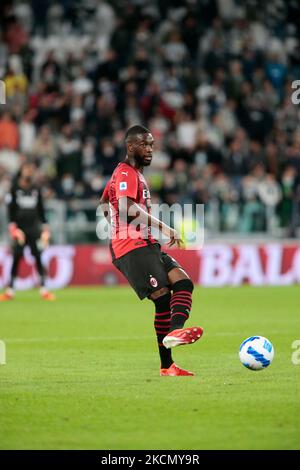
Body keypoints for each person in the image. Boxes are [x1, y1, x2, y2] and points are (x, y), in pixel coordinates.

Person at [99, 125, 203, 376]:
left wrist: (111, 220)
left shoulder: (134, 174)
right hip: (130, 246)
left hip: (145, 243)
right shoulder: (125, 172)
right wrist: (163, 227)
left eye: (152, 145)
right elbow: (123, 207)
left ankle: (173, 341)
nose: (149, 150)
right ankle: (167, 361)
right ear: (130, 146)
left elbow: (104, 201)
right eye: (144, 145)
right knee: (163, 297)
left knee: (183, 282)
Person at [0, 162, 55, 301]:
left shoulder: (36, 189)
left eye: (31, 170)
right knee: (16, 257)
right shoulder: (14, 189)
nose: (29, 173)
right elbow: (10, 210)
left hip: (34, 228)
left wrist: (45, 225)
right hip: (20, 229)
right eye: (27, 170)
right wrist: (12, 227)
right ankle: (10, 290)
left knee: (37, 256)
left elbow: (41, 209)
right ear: (21, 171)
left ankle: (44, 289)